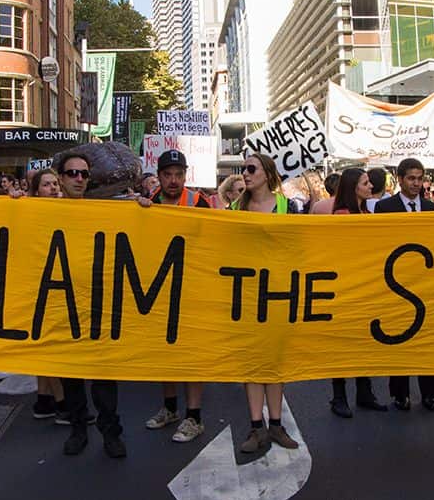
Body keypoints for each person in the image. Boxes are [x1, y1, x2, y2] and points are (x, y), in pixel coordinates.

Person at [228, 154, 302, 454]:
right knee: (252, 362)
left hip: (279, 293)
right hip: (246, 293)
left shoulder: (288, 207)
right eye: (243, 169)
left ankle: (276, 425)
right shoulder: (234, 208)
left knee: (276, 361)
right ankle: (256, 427)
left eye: (250, 169)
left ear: (267, 174)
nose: (244, 174)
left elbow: (300, 245)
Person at [138, 150, 212, 441]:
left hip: (193, 289)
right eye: (167, 174)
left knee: (192, 355)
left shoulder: (199, 202)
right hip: (160, 290)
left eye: (178, 174)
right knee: (165, 353)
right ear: (159, 176)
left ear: (185, 174)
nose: (173, 180)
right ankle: (170, 409)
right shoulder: (149, 203)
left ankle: (194, 417)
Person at [58, 152, 126, 458]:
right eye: (72, 173)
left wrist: (143, 212)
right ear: (60, 178)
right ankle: (77, 429)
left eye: (84, 174)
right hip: (61, 306)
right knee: (70, 375)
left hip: (97, 305)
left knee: (103, 376)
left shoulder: (103, 211)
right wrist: (15, 201)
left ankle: (111, 432)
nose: (79, 179)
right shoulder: (42, 211)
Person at [374, 158, 434, 411]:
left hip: (426, 284)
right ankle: (400, 394)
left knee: (428, 342)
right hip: (396, 284)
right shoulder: (384, 207)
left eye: (420, 178)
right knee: (399, 340)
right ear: (400, 179)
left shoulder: (433, 208)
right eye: (411, 178)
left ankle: (429, 393)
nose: (416, 183)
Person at [323, 168, 387, 417]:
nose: (370, 186)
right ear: (353, 187)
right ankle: (339, 397)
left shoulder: (365, 212)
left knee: (363, 343)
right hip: (346, 288)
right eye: (365, 183)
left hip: (365, 286)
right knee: (342, 345)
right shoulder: (342, 215)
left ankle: (364, 392)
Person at [27, 167, 73, 424]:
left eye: (56, 183)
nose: (54, 188)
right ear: (36, 191)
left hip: (59, 287)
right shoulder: (28, 214)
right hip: (40, 288)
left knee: (44, 345)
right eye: (47, 185)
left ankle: (43, 400)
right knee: (50, 347)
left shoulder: (65, 211)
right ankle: (61, 402)